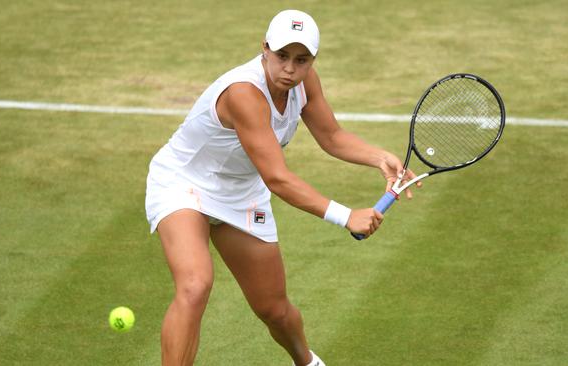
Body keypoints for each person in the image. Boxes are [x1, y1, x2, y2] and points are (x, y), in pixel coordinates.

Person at [145, 9, 418, 366]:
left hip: (241, 191)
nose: (290, 68)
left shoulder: (306, 83)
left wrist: (378, 156)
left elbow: (332, 136)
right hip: (184, 183)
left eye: (301, 60)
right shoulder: (244, 93)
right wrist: (346, 215)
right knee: (195, 285)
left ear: (312, 61)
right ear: (265, 50)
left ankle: (307, 362)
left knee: (273, 308)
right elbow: (277, 178)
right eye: (282, 56)